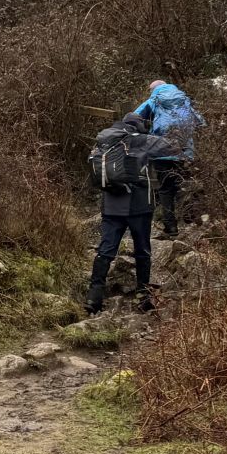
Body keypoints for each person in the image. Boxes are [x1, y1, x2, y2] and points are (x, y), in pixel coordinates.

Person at [87, 112, 179, 315]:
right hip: (139, 206)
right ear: (138, 126)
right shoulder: (141, 140)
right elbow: (172, 146)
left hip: (111, 206)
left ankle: (94, 298)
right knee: (142, 252)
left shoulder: (103, 140)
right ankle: (143, 297)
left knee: (105, 251)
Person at [130, 79, 205, 237]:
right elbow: (201, 122)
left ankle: (171, 228)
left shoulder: (154, 100)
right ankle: (191, 220)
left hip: (161, 151)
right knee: (184, 185)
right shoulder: (184, 100)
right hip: (184, 151)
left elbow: (133, 117)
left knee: (165, 189)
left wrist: (144, 132)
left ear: (153, 90)